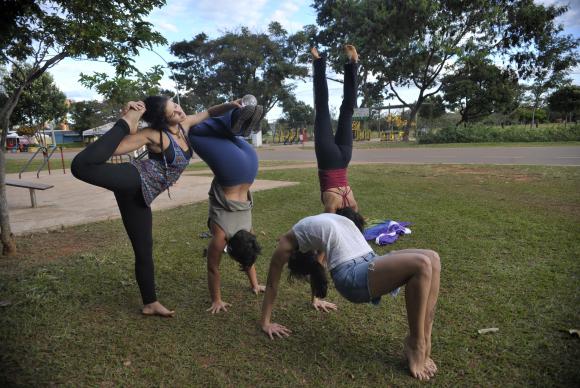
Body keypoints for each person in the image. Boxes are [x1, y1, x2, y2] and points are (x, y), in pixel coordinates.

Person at [71, 96, 257, 317]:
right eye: (173, 112)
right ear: (162, 120)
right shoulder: (153, 135)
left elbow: (208, 111)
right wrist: (127, 122)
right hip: (134, 178)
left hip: (141, 197)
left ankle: (150, 303)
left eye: (176, 105)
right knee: (81, 166)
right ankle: (126, 121)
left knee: (144, 249)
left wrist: (230, 105)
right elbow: (113, 150)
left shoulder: (184, 126)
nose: (179, 111)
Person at [259, 213, 441, 381]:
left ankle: (425, 338)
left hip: (368, 259)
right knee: (422, 264)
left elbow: (316, 267)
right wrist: (265, 323)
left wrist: (315, 299)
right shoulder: (289, 243)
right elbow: (272, 284)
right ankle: (416, 345)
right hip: (351, 275)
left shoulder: (304, 233)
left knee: (433, 258)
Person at [187, 104, 265, 314]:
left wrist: (255, 285)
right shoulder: (221, 237)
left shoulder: (249, 232)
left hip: (250, 164)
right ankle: (235, 122)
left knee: (221, 134)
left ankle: (238, 120)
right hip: (232, 171)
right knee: (192, 131)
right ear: (229, 247)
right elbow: (213, 269)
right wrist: (216, 300)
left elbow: (248, 257)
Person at [311, 45, 365, 232]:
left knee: (347, 110)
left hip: (344, 158)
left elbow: (357, 221)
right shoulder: (332, 206)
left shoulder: (353, 202)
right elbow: (329, 228)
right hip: (328, 159)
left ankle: (353, 64)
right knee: (322, 107)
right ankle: (319, 62)